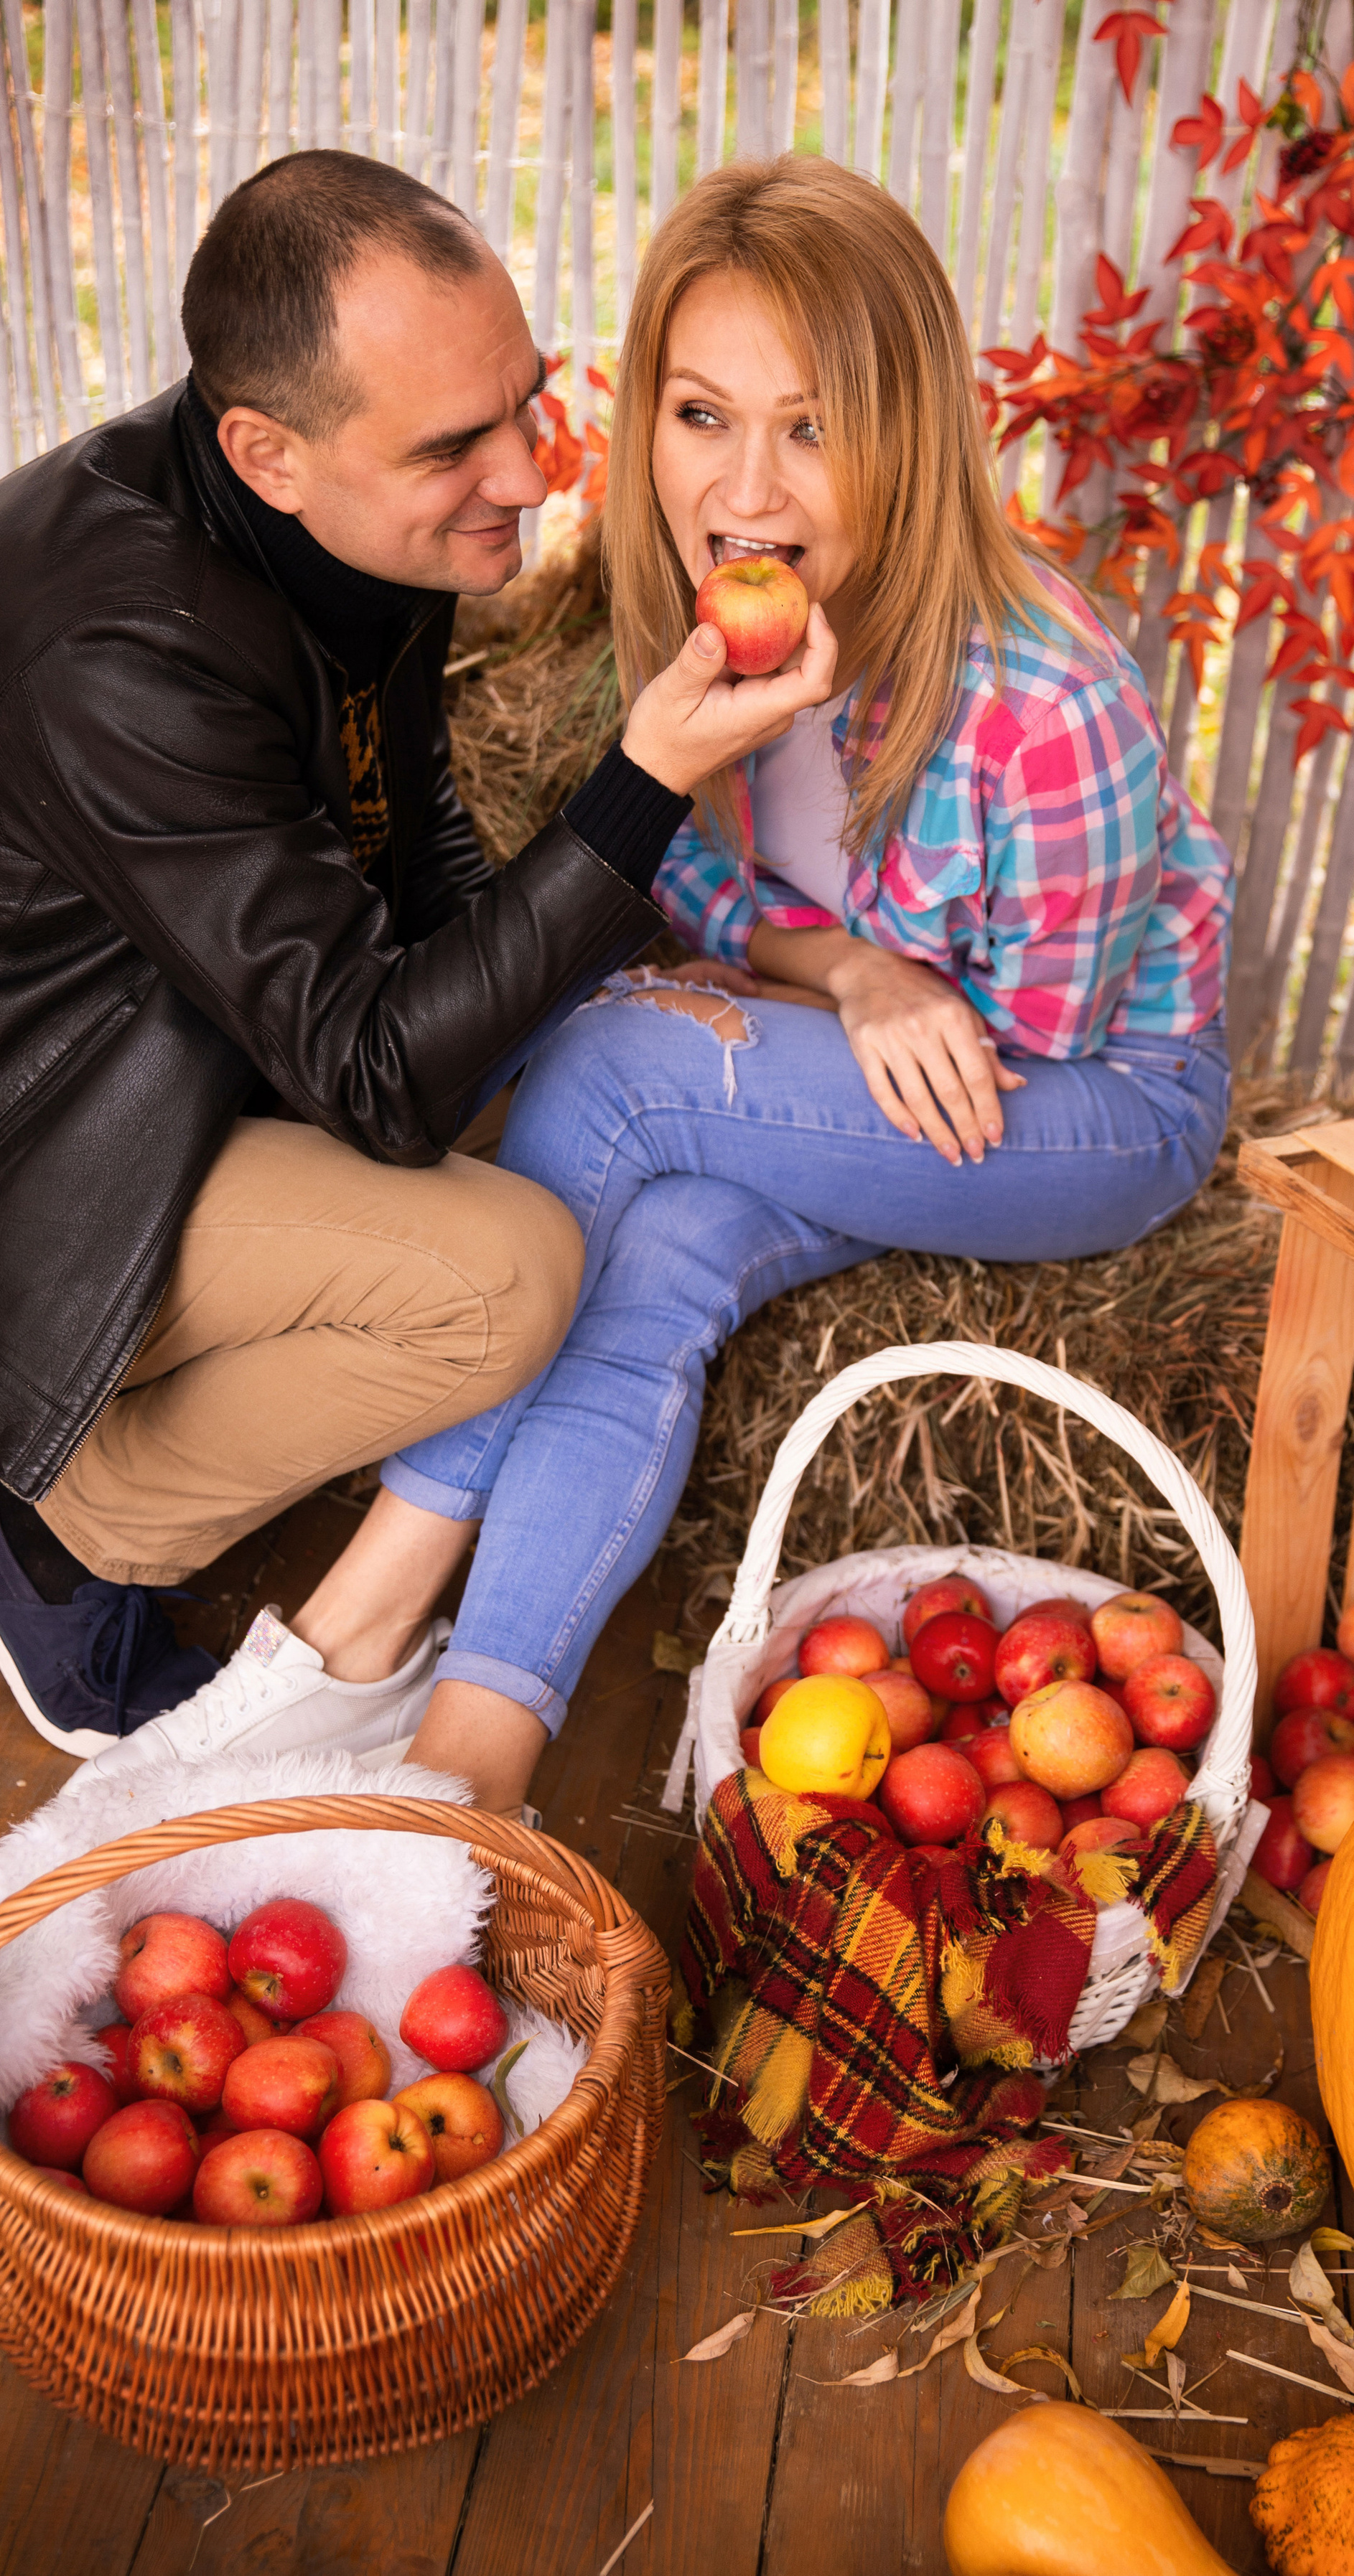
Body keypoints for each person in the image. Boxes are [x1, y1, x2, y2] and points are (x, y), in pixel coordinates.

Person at [88, 156, 1232, 1812]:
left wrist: (773, 1036)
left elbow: (1019, 1045)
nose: (745, 486)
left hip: (1090, 1093)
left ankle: (358, 1622)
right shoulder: (711, 614)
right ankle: (467, 1768)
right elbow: (683, 877)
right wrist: (838, 969)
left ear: (904, 429)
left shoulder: (1042, 699)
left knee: (621, 1066)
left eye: (812, 426)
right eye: (702, 415)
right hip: (886, 1050)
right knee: (660, 1244)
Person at [0, 150, 835, 1761]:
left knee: (583, 1077)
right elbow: (380, 1076)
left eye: (524, 404)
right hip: (49, 1165)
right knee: (505, 1274)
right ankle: (62, 1528)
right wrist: (639, 788)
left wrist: (621, 964)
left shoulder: (349, 522)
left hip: (200, 1052)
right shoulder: (124, 648)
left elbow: (412, 828)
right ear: (267, 450)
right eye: (458, 445)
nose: (529, 473)